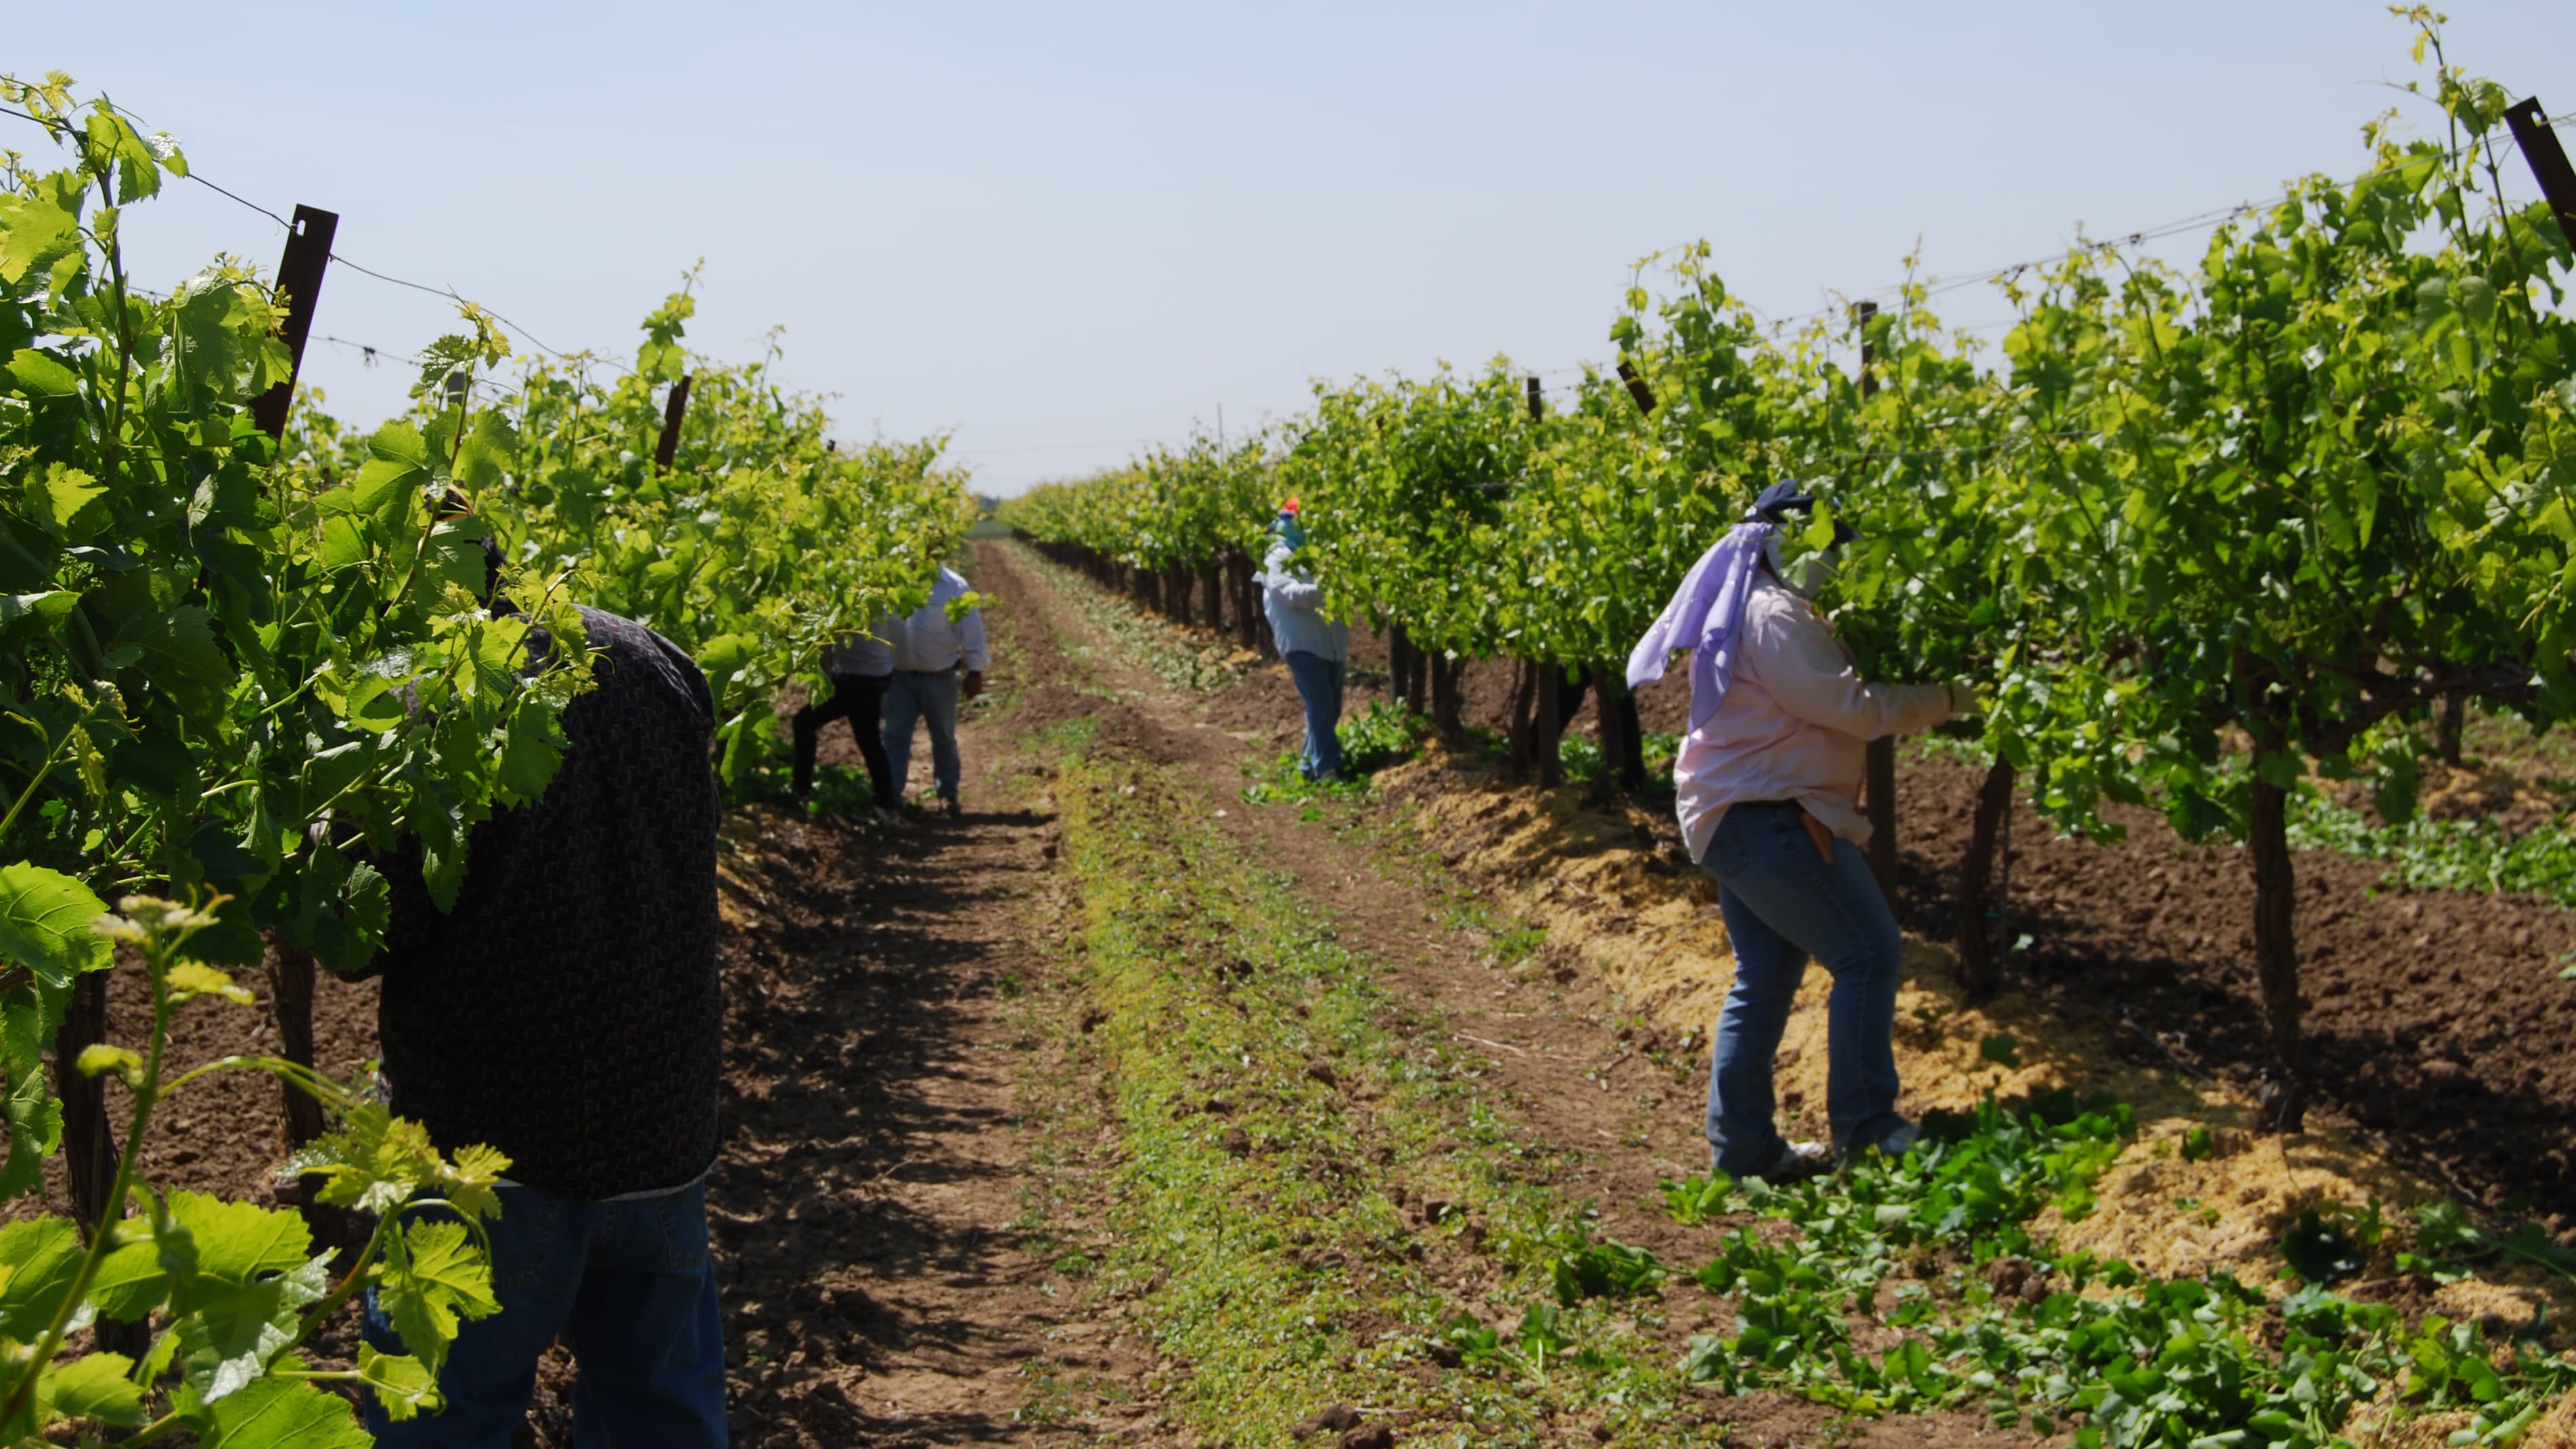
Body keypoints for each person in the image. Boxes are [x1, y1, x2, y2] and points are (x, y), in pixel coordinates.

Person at [360, 541, 727, 1446]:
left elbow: (365, 934)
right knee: (660, 1416)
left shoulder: (422, 703)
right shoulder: (657, 659)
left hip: (488, 1148)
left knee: (442, 1423)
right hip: (662, 1120)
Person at [1627, 481, 1973, 1185]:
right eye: (1829, 545)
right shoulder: (1776, 614)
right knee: (1869, 952)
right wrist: (1950, 699)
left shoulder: (1755, 603)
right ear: (1792, 541)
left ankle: (1746, 1152)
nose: (1836, 562)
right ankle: (1869, 1131)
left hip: (1737, 815)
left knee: (1765, 975)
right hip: (1768, 816)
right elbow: (1850, 706)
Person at [882, 563, 988, 817]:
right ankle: (891, 795)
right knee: (895, 736)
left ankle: (948, 794)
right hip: (898, 676)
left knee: (943, 736)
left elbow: (972, 631)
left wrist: (975, 671)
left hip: (940, 676)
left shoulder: (954, 586)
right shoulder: (888, 577)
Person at [1261, 498, 1351, 782]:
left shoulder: (1322, 555)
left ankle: (1307, 765)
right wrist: (1328, 589)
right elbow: (1289, 593)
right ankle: (1327, 768)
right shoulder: (1277, 558)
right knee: (1321, 704)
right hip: (1301, 642)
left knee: (1330, 707)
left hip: (1332, 641)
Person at [792, 614, 903, 824]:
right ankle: (887, 806)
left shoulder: (842, 595)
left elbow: (824, 637)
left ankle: (800, 794)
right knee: (869, 740)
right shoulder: (877, 591)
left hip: (857, 676)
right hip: (877, 673)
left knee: (803, 723)